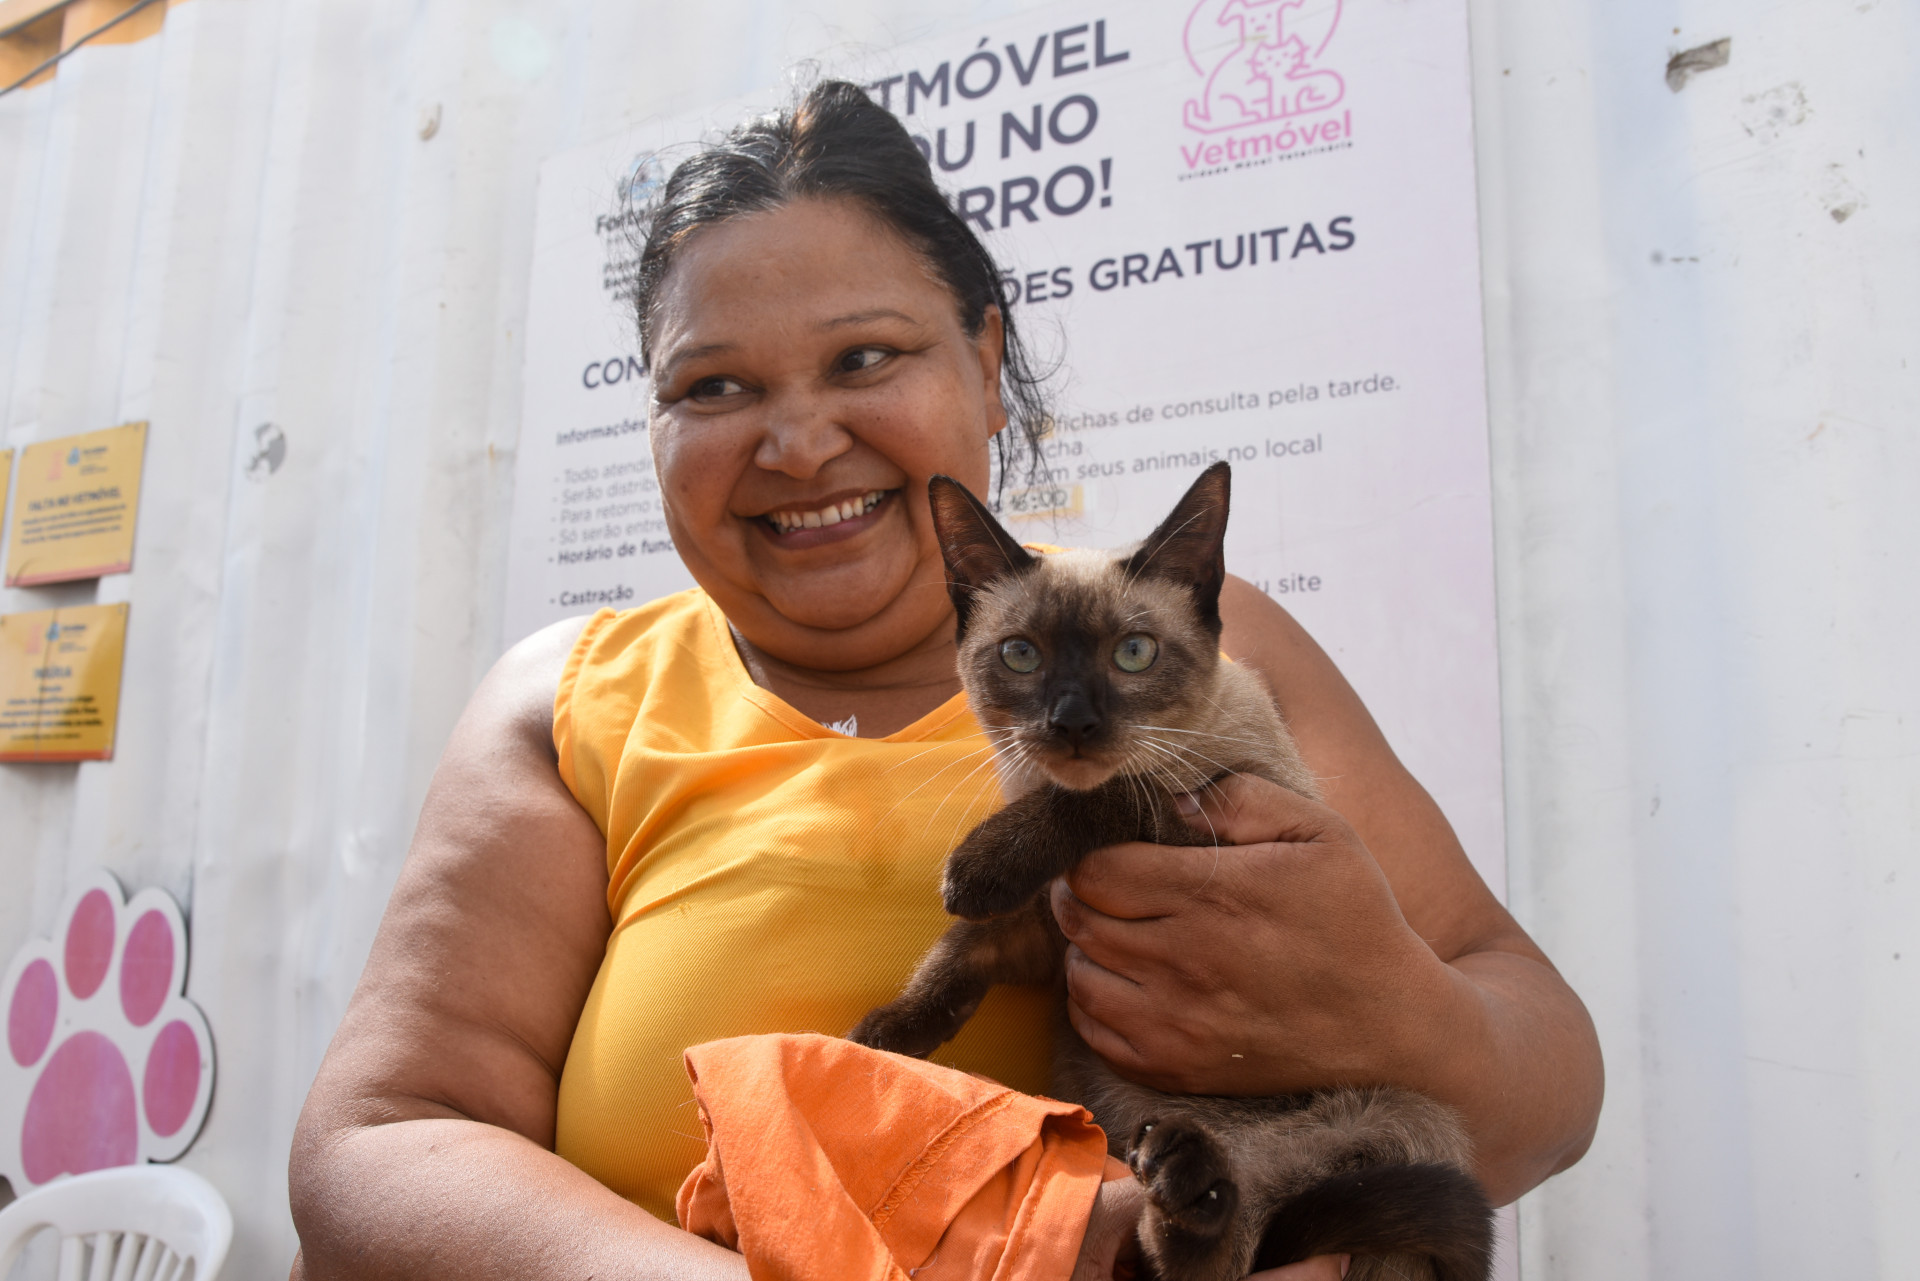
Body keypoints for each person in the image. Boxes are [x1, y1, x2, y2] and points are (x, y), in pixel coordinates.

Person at [288, 80, 1602, 1280]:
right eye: (714, 383)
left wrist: (1396, 1003)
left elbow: (1555, 1078)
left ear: (984, 358)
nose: (800, 441)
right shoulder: (572, 696)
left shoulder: (1213, 650)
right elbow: (379, 1139)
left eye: (864, 358)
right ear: (651, 423)